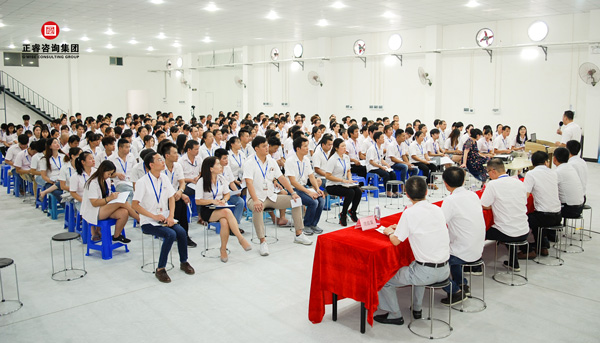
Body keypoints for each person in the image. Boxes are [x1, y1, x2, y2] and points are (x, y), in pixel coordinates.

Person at [374, 176, 450, 325]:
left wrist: (389, 232)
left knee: (383, 279)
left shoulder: (409, 213)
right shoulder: (437, 209)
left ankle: (394, 314)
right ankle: (417, 308)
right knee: (416, 264)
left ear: (407, 195)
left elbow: (395, 241)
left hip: (426, 273)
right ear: (427, 191)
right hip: (445, 269)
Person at [132, 152, 195, 283]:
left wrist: (171, 215)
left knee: (182, 232)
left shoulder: (164, 178)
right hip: (148, 221)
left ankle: (184, 262)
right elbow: (135, 205)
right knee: (170, 234)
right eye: (159, 160)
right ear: (151, 164)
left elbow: (171, 197)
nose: (162, 162)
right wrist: (153, 216)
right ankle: (160, 269)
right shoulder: (142, 182)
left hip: (165, 217)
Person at [244, 136, 311, 256]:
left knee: (296, 201)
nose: (267, 148)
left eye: (267, 145)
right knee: (257, 208)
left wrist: (293, 193)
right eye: (264, 146)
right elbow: (249, 183)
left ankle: (299, 234)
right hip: (256, 198)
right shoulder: (250, 163)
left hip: (271, 196)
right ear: (256, 148)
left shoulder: (271, 161)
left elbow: (282, 178)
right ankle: (262, 241)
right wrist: (255, 200)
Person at [439, 167, 486, 305]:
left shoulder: (450, 200)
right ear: (464, 180)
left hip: (462, 252)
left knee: (435, 263)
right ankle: (462, 283)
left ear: (445, 184)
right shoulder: (473, 195)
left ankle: (455, 291)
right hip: (477, 248)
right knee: (453, 248)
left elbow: (440, 223)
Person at [195, 156, 252, 262]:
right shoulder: (202, 181)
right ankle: (240, 238)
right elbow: (198, 201)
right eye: (217, 164)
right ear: (211, 168)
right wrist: (212, 201)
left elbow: (227, 194)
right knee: (227, 212)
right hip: (207, 210)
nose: (220, 166)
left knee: (225, 222)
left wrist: (224, 200)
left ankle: (223, 250)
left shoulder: (221, 178)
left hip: (219, 207)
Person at [481, 158, 529, 271]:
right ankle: (513, 262)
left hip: (507, 233)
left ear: (493, 171)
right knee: (509, 224)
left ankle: (475, 265)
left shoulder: (493, 184)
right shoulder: (519, 182)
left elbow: (484, 204)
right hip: (524, 230)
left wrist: (495, 205)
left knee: (479, 231)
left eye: (488, 172)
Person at [81, 160, 139, 244]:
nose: (109, 176)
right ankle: (140, 219)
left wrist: (113, 196)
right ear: (102, 170)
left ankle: (116, 236)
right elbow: (94, 203)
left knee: (124, 212)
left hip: (103, 208)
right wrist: (110, 199)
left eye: (111, 174)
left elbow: (106, 195)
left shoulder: (106, 180)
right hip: (93, 211)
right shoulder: (92, 182)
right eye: (108, 174)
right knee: (122, 203)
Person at [517, 151, 561, 259]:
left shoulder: (531, 174)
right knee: (538, 215)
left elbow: (525, 196)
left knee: (523, 218)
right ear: (546, 162)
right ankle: (542, 246)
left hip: (544, 217)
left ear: (532, 163)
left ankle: (527, 250)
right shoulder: (553, 173)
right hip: (558, 215)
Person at [285, 136, 325, 235]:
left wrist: (317, 189)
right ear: (298, 148)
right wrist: (309, 192)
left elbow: (311, 177)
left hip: (304, 188)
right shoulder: (290, 161)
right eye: (305, 146)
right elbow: (293, 182)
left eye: (308, 146)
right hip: (293, 190)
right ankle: (306, 225)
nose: (308, 148)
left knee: (321, 199)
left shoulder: (306, 160)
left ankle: (313, 224)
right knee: (313, 202)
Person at [161, 142, 196, 247]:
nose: (178, 155)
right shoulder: (161, 168)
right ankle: (172, 233)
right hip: (163, 196)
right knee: (178, 204)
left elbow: (182, 182)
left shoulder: (177, 166)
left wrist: (181, 191)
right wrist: (179, 194)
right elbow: (163, 187)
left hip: (176, 194)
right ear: (167, 155)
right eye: (175, 153)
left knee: (182, 205)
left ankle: (184, 235)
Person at [325, 138, 362, 226]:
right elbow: (328, 176)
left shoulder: (346, 157)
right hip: (332, 185)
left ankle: (352, 211)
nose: (345, 148)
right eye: (342, 146)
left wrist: (349, 180)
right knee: (350, 192)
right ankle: (343, 214)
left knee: (358, 191)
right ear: (336, 148)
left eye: (345, 146)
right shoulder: (333, 159)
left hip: (343, 183)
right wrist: (342, 180)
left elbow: (348, 171)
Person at [214, 148, 246, 228]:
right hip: (217, 196)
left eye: (227, 158)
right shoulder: (213, 170)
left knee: (240, 202)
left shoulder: (227, 168)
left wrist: (236, 191)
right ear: (218, 159)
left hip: (227, 194)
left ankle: (235, 224)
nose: (226, 160)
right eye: (224, 158)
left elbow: (231, 182)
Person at [553, 147, 584, 219]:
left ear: (554, 158)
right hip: (580, 207)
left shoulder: (558, 172)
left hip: (569, 209)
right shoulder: (571, 168)